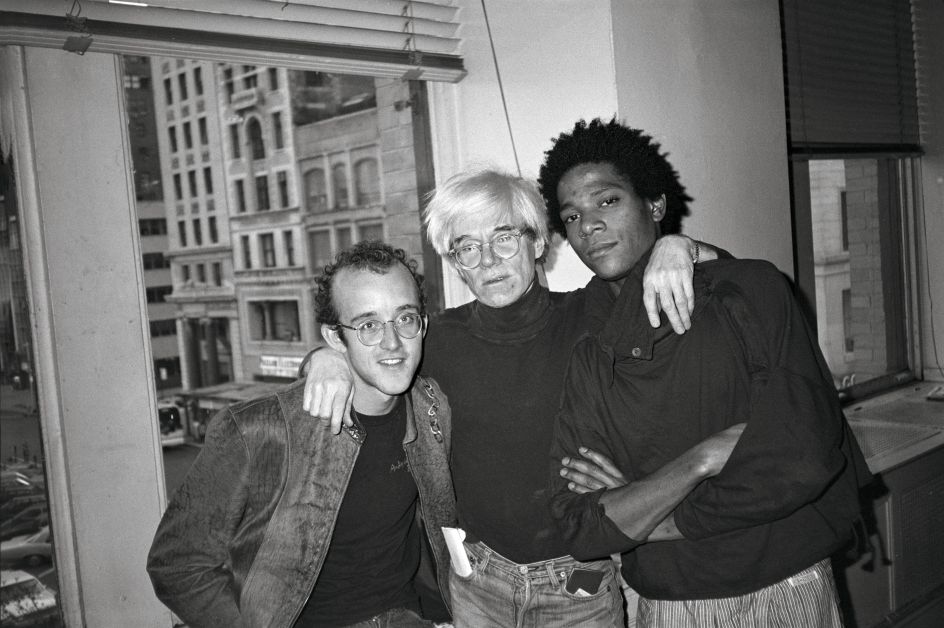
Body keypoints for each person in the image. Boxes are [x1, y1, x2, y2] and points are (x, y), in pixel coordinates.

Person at [303, 169, 740, 627]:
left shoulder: (590, 312)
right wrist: (323, 359)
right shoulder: (436, 340)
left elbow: (726, 284)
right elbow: (370, 353)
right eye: (468, 247)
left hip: (578, 581)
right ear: (456, 263)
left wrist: (680, 247)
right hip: (477, 582)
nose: (489, 261)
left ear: (537, 244)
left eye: (504, 238)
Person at [540, 117, 871, 627]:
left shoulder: (749, 291)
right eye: (571, 215)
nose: (589, 226)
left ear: (654, 205)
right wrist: (701, 460)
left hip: (783, 586)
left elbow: (800, 462)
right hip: (668, 603)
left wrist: (643, 508)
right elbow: (582, 526)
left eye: (607, 201)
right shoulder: (586, 344)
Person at [147, 241, 456, 628]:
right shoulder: (257, 430)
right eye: (368, 325)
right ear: (333, 337)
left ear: (423, 324)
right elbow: (176, 564)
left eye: (405, 318)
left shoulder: (431, 410)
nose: (392, 342)